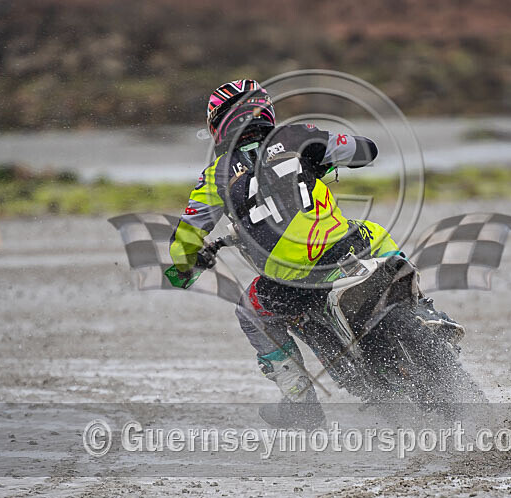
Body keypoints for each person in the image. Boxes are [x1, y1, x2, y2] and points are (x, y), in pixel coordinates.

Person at [169, 79, 404, 428]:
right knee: (378, 234)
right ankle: (427, 311)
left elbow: (183, 243)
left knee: (250, 311)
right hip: (343, 246)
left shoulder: (214, 175)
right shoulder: (297, 137)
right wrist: (326, 160)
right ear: (264, 110)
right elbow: (365, 150)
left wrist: (186, 265)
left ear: (218, 123)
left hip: (289, 275)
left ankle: (301, 402)